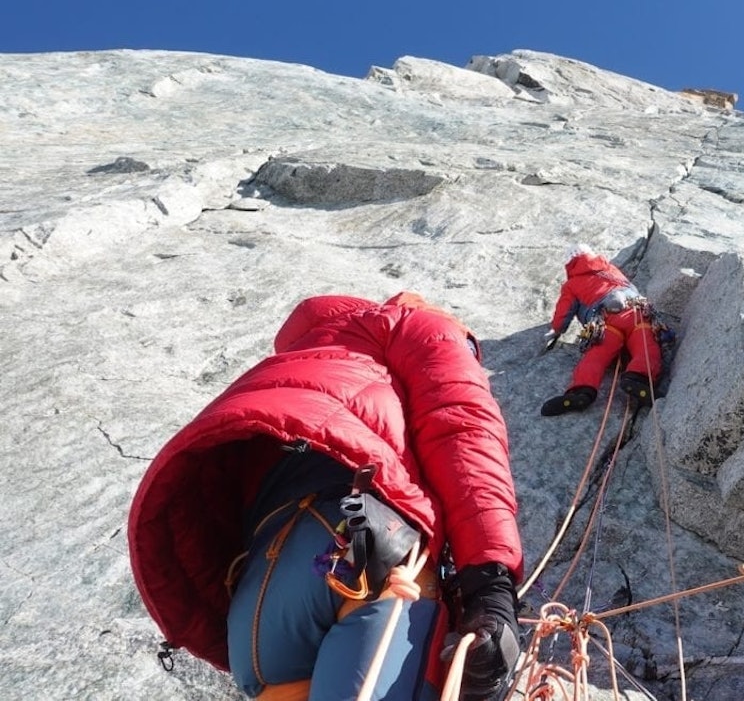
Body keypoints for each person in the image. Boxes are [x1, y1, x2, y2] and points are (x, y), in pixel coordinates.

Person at [128, 292, 524, 701]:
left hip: (254, 618)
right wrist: (491, 582)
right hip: (365, 559)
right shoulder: (413, 324)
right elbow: (463, 434)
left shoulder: (283, 367)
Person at [540, 244, 662, 416]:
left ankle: (581, 390)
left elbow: (564, 312)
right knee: (646, 345)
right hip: (636, 313)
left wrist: (556, 330)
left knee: (597, 355)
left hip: (605, 322)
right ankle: (637, 377)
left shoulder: (572, 284)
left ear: (570, 264)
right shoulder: (611, 269)